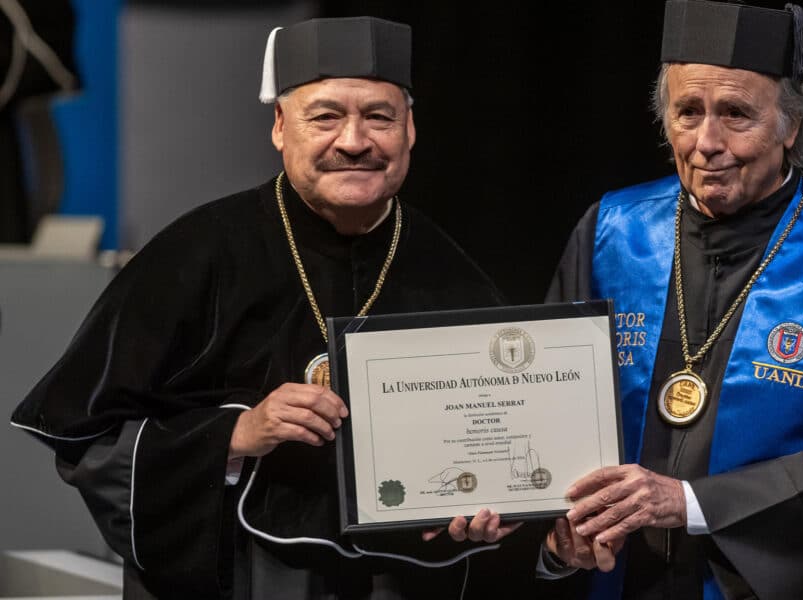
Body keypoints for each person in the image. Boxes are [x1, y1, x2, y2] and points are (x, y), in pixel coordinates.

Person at [10, 16, 555, 600]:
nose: (354, 141)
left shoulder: (451, 272)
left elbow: (496, 453)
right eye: (325, 116)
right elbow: (87, 439)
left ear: (411, 128)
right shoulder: (199, 251)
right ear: (279, 127)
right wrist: (235, 434)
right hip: (236, 578)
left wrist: (476, 517)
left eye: (379, 116)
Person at [545, 1, 803, 598]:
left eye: (735, 114)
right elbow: (546, 415)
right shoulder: (610, 232)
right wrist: (555, 530)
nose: (707, 143)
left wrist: (690, 503)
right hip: (619, 578)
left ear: (790, 125)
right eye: (687, 112)